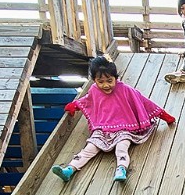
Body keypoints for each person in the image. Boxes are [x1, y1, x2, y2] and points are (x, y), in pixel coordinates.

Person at [51, 55, 175, 184]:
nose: (106, 85)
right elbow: (87, 100)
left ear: (116, 78)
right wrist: (74, 106)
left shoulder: (125, 90)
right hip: (103, 128)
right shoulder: (94, 90)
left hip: (125, 128)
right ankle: (69, 170)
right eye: (101, 81)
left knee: (121, 147)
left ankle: (121, 169)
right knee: (90, 148)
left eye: (109, 80)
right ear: (94, 80)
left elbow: (143, 102)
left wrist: (164, 115)